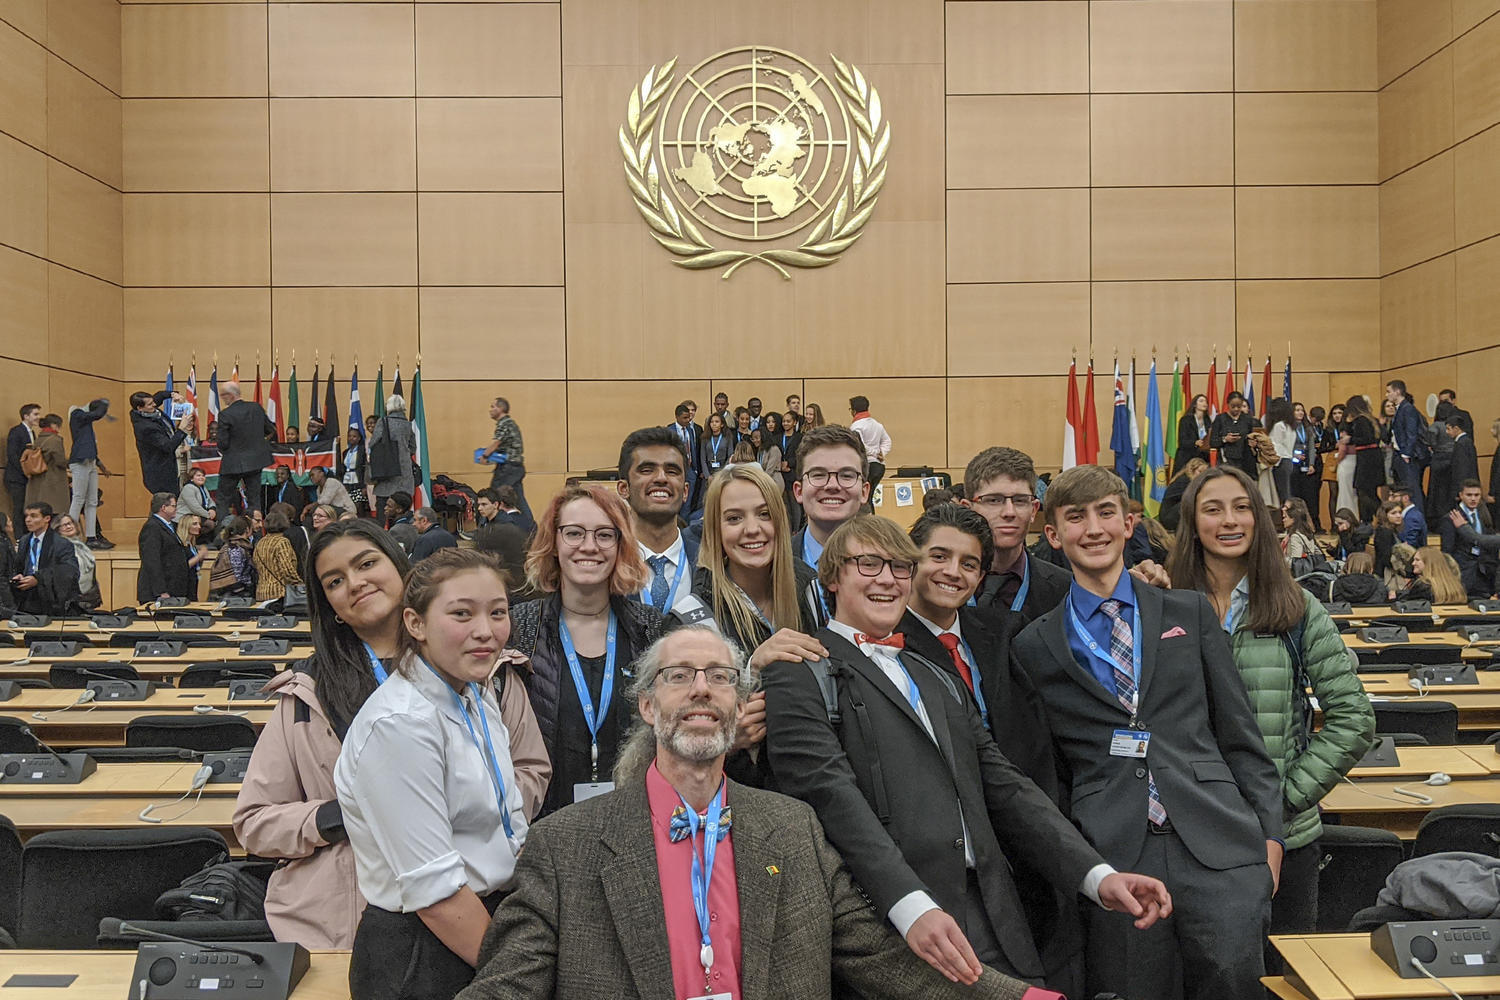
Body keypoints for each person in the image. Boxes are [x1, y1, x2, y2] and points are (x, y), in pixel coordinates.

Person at [466, 625, 1065, 1000]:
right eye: (680, 677)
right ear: (647, 707)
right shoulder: (564, 845)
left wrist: (1017, 998)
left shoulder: (791, 828)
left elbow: (884, 960)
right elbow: (506, 986)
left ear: (739, 705)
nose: (702, 689)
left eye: (721, 678)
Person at [763, 515, 1171, 991]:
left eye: (898, 567)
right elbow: (832, 798)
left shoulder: (932, 672)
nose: (886, 579)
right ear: (833, 577)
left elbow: (1006, 786)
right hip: (894, 926)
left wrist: (1097, 875)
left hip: (994, 916)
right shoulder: (798, 670)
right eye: (868, 563)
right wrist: (911, 907)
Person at [1013, 464, 1283, 1000]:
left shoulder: (1189, 611)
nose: (1093, 529)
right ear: (1052, 535)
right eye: (1075, 518)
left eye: (1106, 513)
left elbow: (1240, 736)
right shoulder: (1035, 644)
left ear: (1130, 522)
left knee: (1234, 985)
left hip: (1220, 845)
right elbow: (1047, 771)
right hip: (1117, 853)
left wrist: (1269, 844)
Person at [1166, 465, 1374, 954]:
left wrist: (1283, 800)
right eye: (1212, 509)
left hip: (1284, 838)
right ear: (1192, 523)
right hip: (1187, 839)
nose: (1229, 520)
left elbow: (1354, 718)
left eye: (1242, 507)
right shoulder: (1162, 606)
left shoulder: (1296, 608)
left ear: (1260, 519)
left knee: (1282, 976)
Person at [237, 522, 471, 949]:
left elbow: (526, 771)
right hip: (342, 921)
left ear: (401, 567)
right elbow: (253, 822)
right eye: (335, 581)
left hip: (466, 893)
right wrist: (333, 817)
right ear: (329, 604)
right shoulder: (306, 693)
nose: (356, 583)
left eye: (367, 563)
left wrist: (455, 806)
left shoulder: (472, 668)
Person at [335, 548, 550, 1000]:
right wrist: (517, 976)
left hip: (486, 919)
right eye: (461, 614)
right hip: (425, 951)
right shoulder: (401, 724)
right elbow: (434, 891)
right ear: (416, 624)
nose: (486, 632)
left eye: (498, 613)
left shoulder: (475, 691)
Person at [894, 503, 1084, 985]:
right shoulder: (884, 645)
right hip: (950, 861)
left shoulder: (999, 633)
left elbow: (1035, 734)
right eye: (938, 556)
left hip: (1025, 841)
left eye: (969, 564)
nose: (952, 572)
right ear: (911, 559)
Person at [510, 484, 662, 816]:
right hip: (544, 824)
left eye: (605, 535)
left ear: (620, 545)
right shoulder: (517, 629)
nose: (589, 547)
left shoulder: (650, 629)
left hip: (633, 819)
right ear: (554, 542)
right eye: (574, 533)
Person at [961, 447, 1071, 624]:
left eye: (1020, 500)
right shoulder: (941, 584)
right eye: (994, 500)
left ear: (1034, 510)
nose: (1009, 512)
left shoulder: (1064, 589)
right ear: (967, 509)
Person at [790, 425, 872, 626]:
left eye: (847, 475)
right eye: (818, 474)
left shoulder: (896, 570)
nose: (833, 485)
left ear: (864, 491)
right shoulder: (770, 568)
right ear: (799, 491)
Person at [616, 427, 698, 616]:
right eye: (647, 470)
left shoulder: (711, 564)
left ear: (685, 491)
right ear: (623, 488)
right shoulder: (604, 560)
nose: (661, 478)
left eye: (672, 471)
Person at [9, 502, 80, 616]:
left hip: (50, 600)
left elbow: (70, 571)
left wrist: (39, 578)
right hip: (26, 598)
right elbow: (19, 566)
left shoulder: (61, 543)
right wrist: (18, 575)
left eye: (33, 516)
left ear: (47, 518)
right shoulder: (24, 541)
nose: (28, 520)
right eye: (26, 516)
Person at [216, 382, 275, 517]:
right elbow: (270, 429)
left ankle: (222, 532)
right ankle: (256, 531)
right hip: (255, 461)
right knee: (254, 499)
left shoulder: (225, 415)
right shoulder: (256, 408)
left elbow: (223, 443)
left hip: (232, 463)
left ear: (230, 395)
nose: (222, 399)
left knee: (223, 500)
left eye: (223, 395)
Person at [66, 397, 111, 549]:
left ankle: (91, 537)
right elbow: (96, 415)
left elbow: (88, 443)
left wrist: (100, 464)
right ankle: (69, 536)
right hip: (79, 462)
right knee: (78, 498)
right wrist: (104, 406)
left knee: (92, 501)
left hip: (90, 462)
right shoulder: (77, 414)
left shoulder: (86, 421)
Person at [1443, 480, 1499, 597]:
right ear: (1461, 495)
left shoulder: (1485, 514)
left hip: (1485, 572)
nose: (1473, 499)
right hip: (1463, 571)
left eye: (1477, 495)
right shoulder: (1452, 517)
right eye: (1469, 495)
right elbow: (1447, 549)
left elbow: (1486, 541)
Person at [136, 493, 193, 603]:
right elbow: (152, 560)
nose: (176, 509)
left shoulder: (171, 526)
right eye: (173, 506)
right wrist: (160, 591)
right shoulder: (152, 527)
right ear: (163, 508)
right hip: (159, 593)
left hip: (174, 588)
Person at [131, 391, 189, 496]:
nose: (154, 405)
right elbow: (168, 446)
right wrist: (182, 429)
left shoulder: (149, 408)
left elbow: (160, 395)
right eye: (150, 404)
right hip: (160, 474)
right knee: (166, 504)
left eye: (153, 402)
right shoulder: (145, 427)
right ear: (140, 408)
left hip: (170, 467)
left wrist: (173, 394)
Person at [482, 397, 531, 521]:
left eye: (493, 406)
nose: (490, 410)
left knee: (493, 496)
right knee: (519, 499)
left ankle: (486, 527)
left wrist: (484, 456)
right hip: (516, 467)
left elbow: (496, 443)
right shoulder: (510, 423)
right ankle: (531, 528)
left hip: (507, 468)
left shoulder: (504, 423)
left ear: (501, 409)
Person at [1386, 380, 1429, 515]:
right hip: (1399, 453)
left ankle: (1417, 519)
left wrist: (1406, 454)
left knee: (1412, 490)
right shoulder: (1400, 409)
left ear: (1397, 392)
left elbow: (1411, 433)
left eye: (1389, 391)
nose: (1387, 395)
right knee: (1404, 488)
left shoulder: (1407, 408)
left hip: (1407, 456)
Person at [369, 396, 417, 516]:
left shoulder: (383, 422)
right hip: (404, 474)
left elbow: (373, 443)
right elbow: (413, 448)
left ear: (389, 407)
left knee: (383, 508)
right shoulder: (407, 424)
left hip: (386, 472)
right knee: (402, 509)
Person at [1344, 395, 1383, 523]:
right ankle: (1369, 519)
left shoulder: (1361, 421)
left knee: (1364, 492)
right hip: (1373, 457)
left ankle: (1379, 516)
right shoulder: (1371, 419)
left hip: (1366, 459)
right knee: (1369, 491)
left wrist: (1350, 439)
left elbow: (1366, 439)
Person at [22, 413, 68, 519]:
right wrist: (71, 462)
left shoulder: (38, 439)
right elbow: (60, 461)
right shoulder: (55, 440)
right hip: (52, 482)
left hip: (37, 481)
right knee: (54, 513)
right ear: (54, 425)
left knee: (41, 514)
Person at [52, 514, 100, 610]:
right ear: (57, 529)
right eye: (64, 525)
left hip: (88, 597)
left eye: (70, 523)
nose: (69, 527)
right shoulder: (58, 548)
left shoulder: (82, 546)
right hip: (72, 599)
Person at [254, 510, 303, 603]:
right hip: (279, 593)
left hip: (261, 592)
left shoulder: (260, 543)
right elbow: (287, 569)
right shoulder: (282, 542)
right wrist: (300, 583)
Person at [848, 395, 892, 500]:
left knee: (862, 498)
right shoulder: (877, 424)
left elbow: (860, 445)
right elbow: (887, 441)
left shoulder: (856, 426)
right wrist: (882, 453)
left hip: (866, 466)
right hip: (879, 466)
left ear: (854, 411)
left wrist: (875, 453)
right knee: (869, 497)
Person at [1209, 391, 1259, 478]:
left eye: (1239, 407)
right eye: (1233, 406)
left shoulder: (1247, 419)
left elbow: (1250, 436)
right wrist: (1225, 439)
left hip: (1245, 459)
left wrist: (1253, 443)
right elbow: (1212, 442)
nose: (1236, 409)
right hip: (1226, 459)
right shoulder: (1220, 419)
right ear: (1228, 404)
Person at [4, 404, 40, 521]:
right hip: (16, 477)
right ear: (26, 416)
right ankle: (19, 538)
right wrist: (25, 471)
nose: (38, 417)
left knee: (28, 509)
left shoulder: (33, 433)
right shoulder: (16, 431)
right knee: (19, 509)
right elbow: (12, 455)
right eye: (35, 414)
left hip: (27, 478)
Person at [1290, 403, 1322, 531]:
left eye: (1302, 410)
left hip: (1306, 465)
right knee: (1295, 494)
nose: (1300, 413)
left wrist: (1312, 464)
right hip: (1293, 465)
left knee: (1310, 496)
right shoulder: (1289, 428)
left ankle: (1311, 524)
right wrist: (1294, 456)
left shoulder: (1307, 427)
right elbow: (1285, 446)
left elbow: (1311, 447)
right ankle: (1295, 524)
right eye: (1297, 410)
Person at [208, 515, 257, 599]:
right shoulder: (236, 548)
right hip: (236, 595)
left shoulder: (231, 545)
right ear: (247, 529)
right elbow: (236, 575)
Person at [667, 403, 701, 514]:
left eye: (689, 418)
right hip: (676, 469)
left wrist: (695, 470)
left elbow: (693, 449)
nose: (688, 420)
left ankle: (684, 526)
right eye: (685, 418)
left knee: (688, 501)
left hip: (690, 469)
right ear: (677, 417)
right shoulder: (670, 430)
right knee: (676, 497)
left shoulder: (690, 430)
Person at [1159, 457, 1208, 533]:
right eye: (1200, 471)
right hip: (1169, 517)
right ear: (1192, 470)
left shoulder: (1186, 479)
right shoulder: (1184, 481)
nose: (1202, 475)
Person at [1265, 399, 1297, 506]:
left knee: (1282, 494)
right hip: (1288, 461)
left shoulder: (1279, 426)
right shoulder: (1290, 426)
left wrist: (1272, 464)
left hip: (1280, 462)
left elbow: (1276, 446)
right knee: (1286, 492)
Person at [1444, 417, 1480, 512]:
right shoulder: (1467, 441)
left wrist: (1458, 491)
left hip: (1464, 487)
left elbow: (1461, 470)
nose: (1447, 432)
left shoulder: (1461, 444)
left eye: (1448, 429)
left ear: (1456, 428)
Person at [1280, 499, 1322, 571]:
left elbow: (1295, 563)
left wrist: (1279, 560)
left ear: (1294, 516)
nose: (1283, 509)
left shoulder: (1295, 537)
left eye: (1286, 507)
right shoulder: (1306, 532)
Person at [1174, 394, 1210, 474]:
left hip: (1202, 458)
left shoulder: (1207, 420)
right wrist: (1195, 442)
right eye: (1201, 401)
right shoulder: (1185, 420)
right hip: (1187, 457)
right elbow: (1182, 441)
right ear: (1194, 405)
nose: (1205, 403)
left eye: (1206, 401)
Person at [698, 411, 732, 484]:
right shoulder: (705, 438)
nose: (714, 424)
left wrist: (722, 473)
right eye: (712, 422)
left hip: (722, 471)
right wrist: (707, 476)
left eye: (717, 422)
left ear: (722, 424)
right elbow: (703, 458)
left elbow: (730, 456)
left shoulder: (727, 437)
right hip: (709, 471)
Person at [342, 425, 369, 517]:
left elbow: (365, 468)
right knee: (349, 506)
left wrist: (365, 485)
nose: (351, 438)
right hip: (347, 481)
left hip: (358, 481)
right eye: (349, 436)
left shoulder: (362, 450)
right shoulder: (345, 452)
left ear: (359, 438)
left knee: (359, 506)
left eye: (354, 436)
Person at [751, 427, 783, 492]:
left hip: (774, 481)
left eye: (757, 438)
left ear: (763, 437)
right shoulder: (760, 450)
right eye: (753, 438)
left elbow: (770, 470)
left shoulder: (774, 449)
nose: (754, 440)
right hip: (764, 482)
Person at [178, 514, 208, 583]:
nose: (199, 527)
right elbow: (182, 566)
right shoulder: (179, 545)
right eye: (195, 524)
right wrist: (199, 556)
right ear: (186, 526)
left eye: (199, 524)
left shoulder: (191, 545)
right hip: (183, 583)